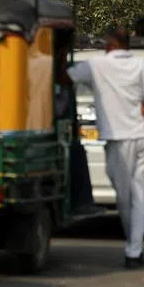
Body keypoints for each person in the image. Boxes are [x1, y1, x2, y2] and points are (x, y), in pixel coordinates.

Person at [66, 26, 144, 269]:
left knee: (124, 196)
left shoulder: (96, 65)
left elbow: (66, 77)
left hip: (118, 138)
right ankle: (133, 247)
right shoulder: (141, 65)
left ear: (109, 44)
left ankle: (134, 249)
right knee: (141, 195)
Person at [54, 42, 102, 217]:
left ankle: (81, 202)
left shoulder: (67, 73)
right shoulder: (54, 75)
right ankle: (81, 202)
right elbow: (58, 109)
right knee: (75, 152)